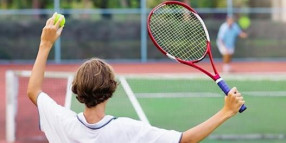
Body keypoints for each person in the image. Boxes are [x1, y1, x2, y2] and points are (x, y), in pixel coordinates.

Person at [27, 13, 245, 143]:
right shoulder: (126, 130)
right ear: (112, 89)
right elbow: (185, 139)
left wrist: (45, 44)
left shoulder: (63, 123)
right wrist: (226, 111)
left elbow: (33, 91)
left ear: (77, 90)